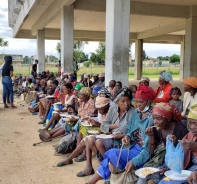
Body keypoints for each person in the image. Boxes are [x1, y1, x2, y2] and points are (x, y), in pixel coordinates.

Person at [86, 85, 156, 184]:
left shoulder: (152, 117)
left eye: (141, 102)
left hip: (143, 151)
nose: (138, 104)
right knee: (110, 159)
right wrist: (127, 137)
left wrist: (134, 161)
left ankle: (106, 179)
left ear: (148, 102)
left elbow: (148, 148)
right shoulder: (136, 113)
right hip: (132, 146)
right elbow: (129, 131)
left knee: (112, 154)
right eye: (136, 101)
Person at [137, 103, 188, 184]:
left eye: (158, 119)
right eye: (153, 119)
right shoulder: (157, 129)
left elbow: (185, 156)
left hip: (177, 164)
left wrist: (175, 144)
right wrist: (151, 136)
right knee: (143, 179)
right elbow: (153, 152)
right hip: (163, 159)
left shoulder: (181, 130)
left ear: (168, 118)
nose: (155, 122)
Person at [157, 104, 197, 184]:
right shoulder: (190, 135)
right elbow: (183, 158)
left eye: (195, 123)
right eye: (190, 123)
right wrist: (176, 144)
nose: (192, 127)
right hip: (190, 170)